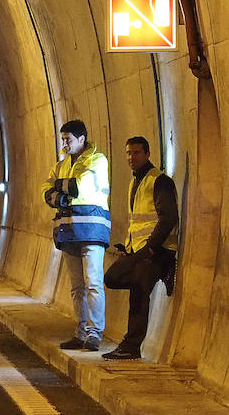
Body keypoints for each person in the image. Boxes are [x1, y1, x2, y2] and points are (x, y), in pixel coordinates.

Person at [102, 136, 178, 360]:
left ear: (147, 154)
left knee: (139, 293)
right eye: (128, 153)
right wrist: (128, 246)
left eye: (136, 153)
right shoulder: (135, 181)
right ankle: (130, 345)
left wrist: (152, 249)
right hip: (139, 250)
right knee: (112, 278)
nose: (131, 157)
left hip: (157, 250)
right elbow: (138, 221)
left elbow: (168, 218)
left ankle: (131, 346)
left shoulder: (159, 180)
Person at [42, 119, 111, 352]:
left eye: (68, 139)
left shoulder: (97, 160)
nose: (64, 143)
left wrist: (59, 190)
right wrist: (56, 193)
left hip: (92, 230)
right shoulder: (61, 165)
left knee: (93, 283)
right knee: (76, 287)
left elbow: (77, 186)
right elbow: (46, 187)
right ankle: (80, 333)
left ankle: (94, 333)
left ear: (82, 139)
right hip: (68, 231)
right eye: (63, 139)